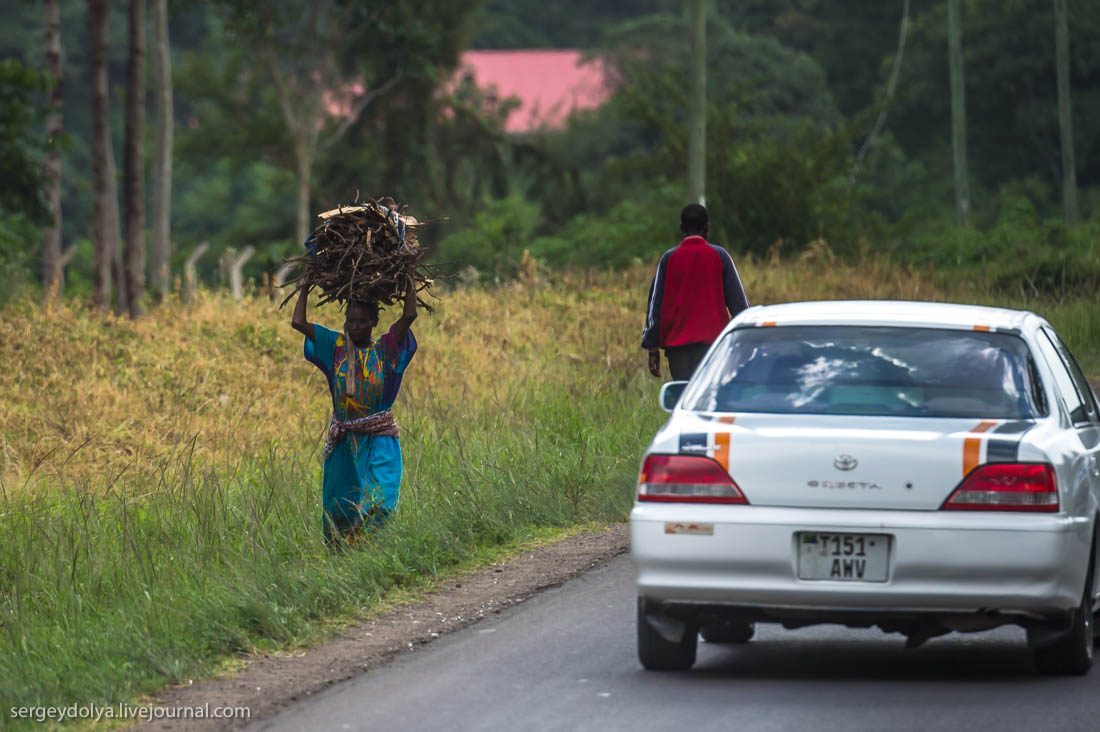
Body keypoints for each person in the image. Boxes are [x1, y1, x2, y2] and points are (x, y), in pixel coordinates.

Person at [291, 277, 418, 545]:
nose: (355, 326)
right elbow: (298, 323)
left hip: (380, 439)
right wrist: (305, 284)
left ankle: (372, 551)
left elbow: (410, 314)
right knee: (340, 508)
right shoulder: (334, 347)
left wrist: (408, 273)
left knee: (381, 502)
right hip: (345, 443)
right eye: (350, 321)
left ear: (374, 322)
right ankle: (343, 560)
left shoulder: (386, 349)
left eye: (362, 321)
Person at [641, 203, 749, 380]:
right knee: (710, 399)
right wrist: (747, 341)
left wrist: (652, 348)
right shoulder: (720, 256)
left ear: (682, 228)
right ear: (707, 227)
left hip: (678, 351)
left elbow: (655, 307)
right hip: (714, 346)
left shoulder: (668, 259)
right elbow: (740, 306)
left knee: (685, 399)